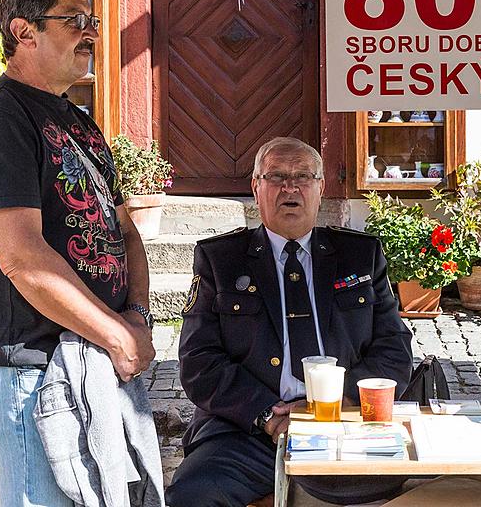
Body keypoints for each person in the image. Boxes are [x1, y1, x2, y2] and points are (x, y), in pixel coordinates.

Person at [0, 0, 157, 505]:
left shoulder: (78, 120)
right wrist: (116, 334)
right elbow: (22, 259)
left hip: (95, 360)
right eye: (74, 19)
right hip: (35, 374)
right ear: (24, 32)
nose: (90, 31)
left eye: (91, 19)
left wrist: (136, 314)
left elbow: (123, 229)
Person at [167, 137, 413, 507]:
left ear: (320, 187)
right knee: (194, 492)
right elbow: (199, 362)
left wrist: (338, 402)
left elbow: (393, 351)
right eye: (276, 176)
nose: (290, 188)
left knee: (434, 485)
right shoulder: (221, 259)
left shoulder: (360, 256)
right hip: (249, 432)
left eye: (303, 177)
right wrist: (267, 413)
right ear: (256, 187)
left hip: (348, 424)